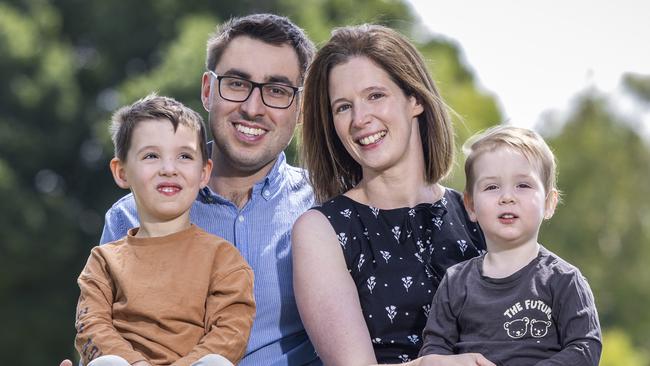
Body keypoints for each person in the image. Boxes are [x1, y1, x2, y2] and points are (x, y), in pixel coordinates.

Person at [63, 13, 319, 366]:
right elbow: (100, 326)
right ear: (207, 90)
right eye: (236, 83)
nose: (252, 107)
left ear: (301, 107)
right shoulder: (129, 215)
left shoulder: (326, 206)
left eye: (277, 90)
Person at [292, 24, 490, 365]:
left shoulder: (478, 213)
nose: (360, 118)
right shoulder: (321, 231)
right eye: (342, 107)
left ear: (414, 99)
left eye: (375, 96)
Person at [74, 94, 255, 366]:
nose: (168, 169)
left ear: (204, 172)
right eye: (151, 156)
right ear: (122, 172)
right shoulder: (104, 260)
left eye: (184, 156)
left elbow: (230, 333)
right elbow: (91, 326)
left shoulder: (224, 259)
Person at [418, 125, 602, 365]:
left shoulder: (564, 280)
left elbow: (585, 347)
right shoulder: (455, 282)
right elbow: (434, 350)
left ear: (549, 202)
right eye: (492, 187)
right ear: (471, 205)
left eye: (523, 185)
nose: (507, 197)